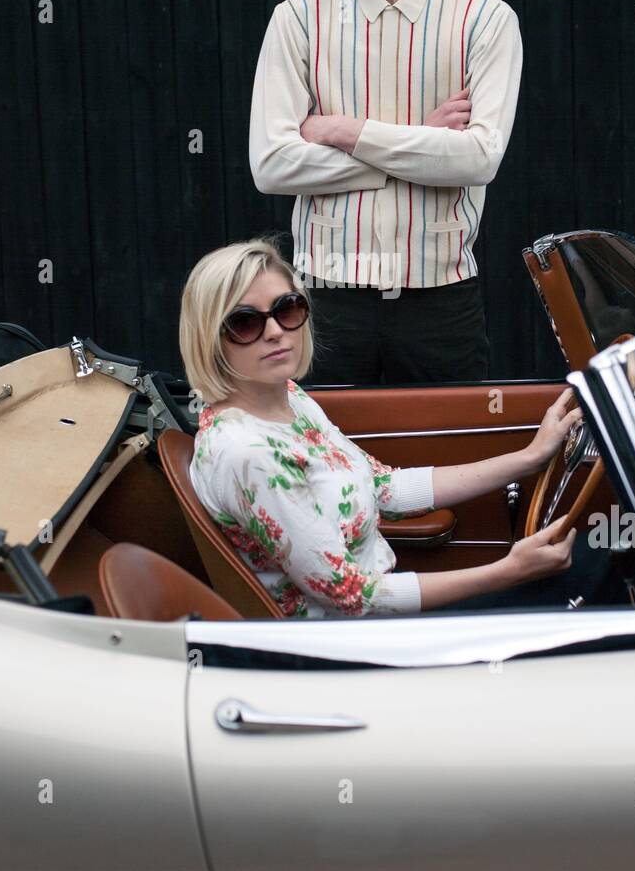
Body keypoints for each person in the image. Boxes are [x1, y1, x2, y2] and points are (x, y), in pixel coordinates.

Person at [178, 238, 604, 622]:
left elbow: (386, 489)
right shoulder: (249, 454)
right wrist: (509, 572)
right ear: (210, 338)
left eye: (287, 309)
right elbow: (353, 598)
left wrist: (529, 457)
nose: (275, 332)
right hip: (354, 645)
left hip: (381, 612)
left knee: (601, 555)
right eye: (245, 323)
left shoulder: (289, 398)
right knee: (598, 565)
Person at [247, 0, 523, 385]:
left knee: (450, 468)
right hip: (324, 307)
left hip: (442, 307)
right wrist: (422, 138)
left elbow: (477, 160)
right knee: (322, 472)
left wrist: (346, 131)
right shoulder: (296, 19)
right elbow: (272, 166)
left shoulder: (486, 18)